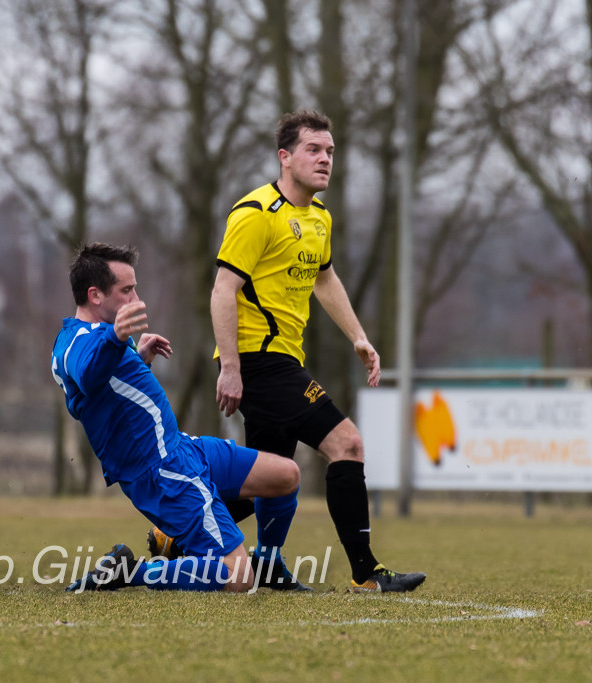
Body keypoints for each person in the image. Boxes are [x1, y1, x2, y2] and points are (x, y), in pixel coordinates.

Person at [150, 109, 425, 593]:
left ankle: (188, 537)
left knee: (272, 476)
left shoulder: (319, 218)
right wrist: (230, 368)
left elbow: (325, 279)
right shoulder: (255, 213)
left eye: (330, 151)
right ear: (285, 157)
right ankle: (365, 572)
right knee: (347, 444)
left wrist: (358, 336)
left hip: (284, 360)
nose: (325, 159)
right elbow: (223, 291)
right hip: (258, 362)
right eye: (313, 150)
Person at [51, 243, 303, 593]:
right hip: (162, 471)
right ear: (95, 295)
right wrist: (116, 337)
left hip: (183, 448)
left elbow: (108, 391)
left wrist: (138, 357)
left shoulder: (101, 337)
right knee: (239, 578)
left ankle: (270, 563)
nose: (136, 298)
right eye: (126, 290)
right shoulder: (77, 342)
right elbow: (89, 374)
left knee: (286, 475)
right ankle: (131, 572)